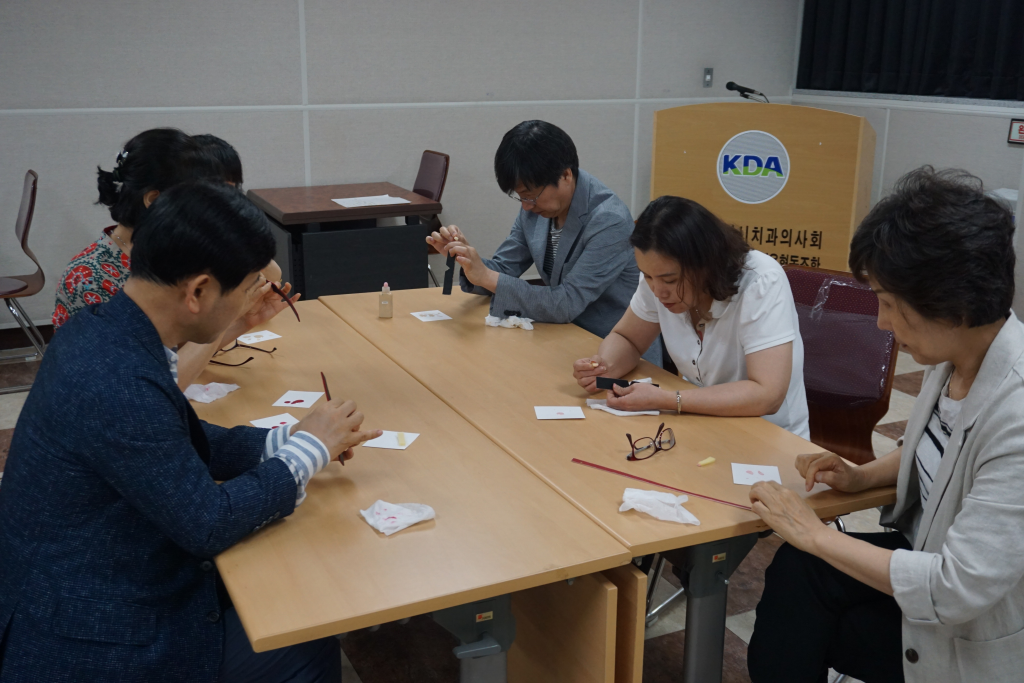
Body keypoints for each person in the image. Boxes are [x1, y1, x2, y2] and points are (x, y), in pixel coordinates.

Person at [0, 181, 381, 683]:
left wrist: (284, 441)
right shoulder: (116, 381)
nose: (250, 303)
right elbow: (207, 524)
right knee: (303, 640)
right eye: (247, 289)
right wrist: (308, 450)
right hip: (95, 637)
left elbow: (169, 439)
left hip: (78, 580)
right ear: (199, 291)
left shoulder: (100, 327)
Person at [746, 168, 1024, 683]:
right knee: (798, 574)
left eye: (891, 304)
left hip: (972, 628)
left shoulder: (1017, 411)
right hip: (929, 566)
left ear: (954, 303)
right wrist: (861, 477)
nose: (881, 323)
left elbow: (955, 589)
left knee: (811, 584)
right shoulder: (956, 356)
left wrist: (814, 533)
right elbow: (944, 456)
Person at [53, 128, 288, 389]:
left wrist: (241, 321)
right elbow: (145, 389)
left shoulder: (171, 249)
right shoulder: (89, 279)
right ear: (155, 200)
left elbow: (176, 353)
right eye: (199, 197)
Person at [572, 195, 809, 438]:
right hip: (697, 424)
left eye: (670, 280)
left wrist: (667, 399)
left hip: (769, 437)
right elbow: (628, 338)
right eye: (648, 276)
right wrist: (604, 367)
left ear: (705, 262)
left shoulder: (761, 281)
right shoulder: (656, 277)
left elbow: (767, 395)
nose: (658, 291)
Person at [426, 120, 660, 363]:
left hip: (614, 353)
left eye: (531, 195)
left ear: (566, 175)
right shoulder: (536, 207)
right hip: (561, 338)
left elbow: (566, 303)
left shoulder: (609, 220)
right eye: (521, 197)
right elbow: (504, 270)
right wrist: (467, 259)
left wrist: (486, 275)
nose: (526, 206)